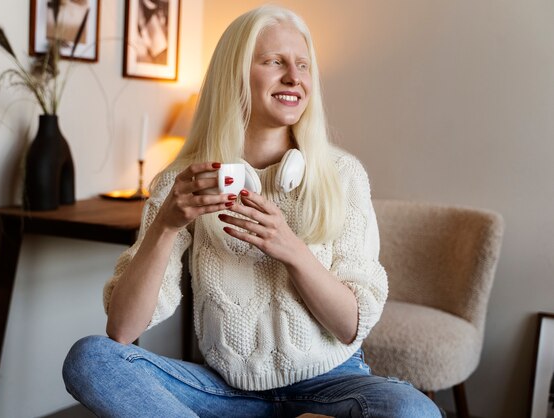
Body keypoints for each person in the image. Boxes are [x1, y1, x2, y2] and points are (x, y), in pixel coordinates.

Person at [62, 5, 443, 417]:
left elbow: (351, 325)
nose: (294, 78)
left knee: (413, 411)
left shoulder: (343, 175)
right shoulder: (184, 183)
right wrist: (166, 225)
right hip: (226, 390)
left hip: (332, 381)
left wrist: (289, 248)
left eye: (302, 65)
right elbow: (122, 329)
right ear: (237, 74)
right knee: (90, 358)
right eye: (274, 62)